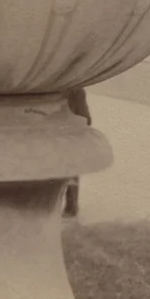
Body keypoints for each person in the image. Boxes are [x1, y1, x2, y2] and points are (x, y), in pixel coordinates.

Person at [63, 85, 92, 219]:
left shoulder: (71, 90)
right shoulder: (76, 90)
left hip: (60, 136)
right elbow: (86, 118)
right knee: (72, 172)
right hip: (71, 137)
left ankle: (70, 207)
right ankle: (71, 207)